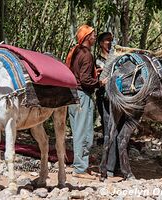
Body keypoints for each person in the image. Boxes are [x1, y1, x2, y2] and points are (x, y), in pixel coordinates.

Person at [66, 25, 107, 179]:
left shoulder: (76, 51)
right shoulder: (87, 55)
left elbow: (77, 73)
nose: (95, 37)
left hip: (73, 95)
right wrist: (99, 83)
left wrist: (93, 73)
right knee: (83, 134)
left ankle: (80, 165)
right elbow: (84, 80)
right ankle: (80, 169)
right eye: (93, 35)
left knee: (79, 132)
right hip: (82, 96)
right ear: (87, 38)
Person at [95, 32, 120, 177]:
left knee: (118, 129)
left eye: (111, 40)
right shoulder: (98, 61)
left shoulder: (117, 58)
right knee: (109, 130)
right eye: (106, 41)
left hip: (117, 98)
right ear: (100, 43)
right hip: (104, 98)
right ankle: (109, 167)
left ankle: (114, 165)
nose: (109, 43)